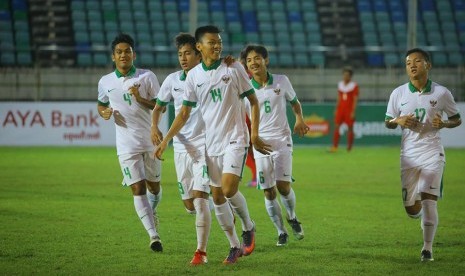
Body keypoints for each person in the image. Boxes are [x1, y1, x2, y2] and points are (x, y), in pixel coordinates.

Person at [155, 25, 272, 264]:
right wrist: (166, 140)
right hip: (211, 144)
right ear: (200, 46)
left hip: (235, 139)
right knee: (217, 197)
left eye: (219, 41)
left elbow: (253, 101)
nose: (217, 45)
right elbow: (184, 114)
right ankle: (234, 247)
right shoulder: (194, 77)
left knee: (228, 190)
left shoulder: (233, 67)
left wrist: (254, 135)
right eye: (212, 42)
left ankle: (248, 227)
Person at [385, 48, 461, 262]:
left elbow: (457, 118)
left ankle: (427, 249)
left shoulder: (442, 93)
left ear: (428, 65)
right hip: (408, 155)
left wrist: (444, 123)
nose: (412, 65)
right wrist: (396, 121)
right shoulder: (398, 93)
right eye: (408, 62)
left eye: (417, 61)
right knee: (411, 209)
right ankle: (417, 212)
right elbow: (388, 122)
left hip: (432, 153)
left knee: (429, 201)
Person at [97, 33, 163, 252]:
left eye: (127, 51)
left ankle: (153, 212)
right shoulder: (105, 81)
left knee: (154, 187)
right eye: (119, 52)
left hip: (151, 139)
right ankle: (153, 236)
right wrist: (104, 112)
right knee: (137, 187)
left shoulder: (147, 77)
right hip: (125, 143)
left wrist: (139, 98)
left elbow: (159, 105)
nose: (123, 55)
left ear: (133, 54)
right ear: (113, 57)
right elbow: (101, 104)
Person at [151, 33, 210, 265]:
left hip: (205, 145)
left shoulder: (208, 76)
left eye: (187, 53)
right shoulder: (173, 80)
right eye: (180, 54)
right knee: (189, 203)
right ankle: (220, 208)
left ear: (198, 53)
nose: (183, 58)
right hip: (181, 149)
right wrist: (154, 126)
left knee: (199, 197)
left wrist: (164, 140)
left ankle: (200, 252)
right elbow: (158, 107)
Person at [241, 45, 308, 246]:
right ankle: (281, 232)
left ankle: (292, 216)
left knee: (283, 187)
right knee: (268, 191)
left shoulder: (282, 81)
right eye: (249, 60)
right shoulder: (244, 88)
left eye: (257, 58)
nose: (253, 62)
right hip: (260, 142)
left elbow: (295, 102)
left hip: (282, 140)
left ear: (266, 60)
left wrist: (299, 119)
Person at [329, 67, 359, 152]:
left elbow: (355, 99)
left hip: (349, 110)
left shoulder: (354, 86)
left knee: (350, 128)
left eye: (347, 75)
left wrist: (353, 111)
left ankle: (349, 147)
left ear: (350, 76)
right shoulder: (340, 84)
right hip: (340, 109)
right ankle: (335, 146)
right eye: (344, 75)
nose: (345, 77)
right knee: (336, 126)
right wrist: (336, 108)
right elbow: (339, 97)